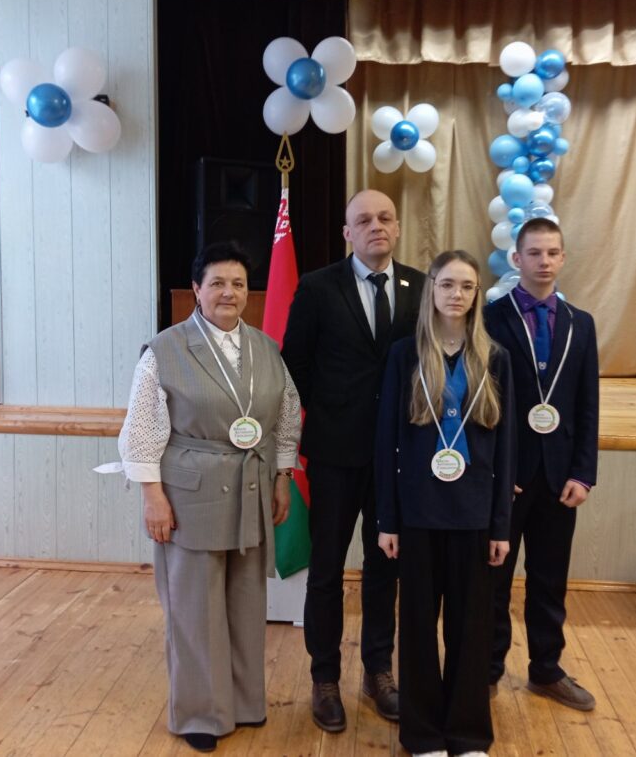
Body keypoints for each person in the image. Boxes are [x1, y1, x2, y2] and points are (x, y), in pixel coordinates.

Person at [117, 242, 301, 753]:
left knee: (246, 602)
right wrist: (152, 496)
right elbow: (142, 430)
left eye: (238, 284)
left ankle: (243, 702)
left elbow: (287, 415)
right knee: (195, 608)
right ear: (197, 289)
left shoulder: (266, 348)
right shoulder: (164, 350)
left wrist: (282, 476)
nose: (228, 293)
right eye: (217, 283)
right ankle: (201, 712)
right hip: (189, 495)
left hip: (252, 487)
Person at [282, 189, 426, 732]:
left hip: (398, 457)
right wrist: (328, 416)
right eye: (363, 220)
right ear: (347, 233)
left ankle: (378, 672)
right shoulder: (318, 287)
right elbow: (294, 367)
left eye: (385, 217)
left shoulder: (421, 287)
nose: (376, 226)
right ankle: (324, 678)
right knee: (326, 570)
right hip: (335, 455)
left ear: (398, 226)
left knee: (385, 568)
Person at [376, 250, 515, 757]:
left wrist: (501, 526)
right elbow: (386, 442)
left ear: (477, 295)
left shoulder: (494, 358)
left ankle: (468, 733)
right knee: (416, 626)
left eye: (467, 286)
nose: (457, 294)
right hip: (417, 513)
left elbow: (507, 449)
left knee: (470, 628)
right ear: (431, 289)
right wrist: (387, 519)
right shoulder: (404, 355)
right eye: (448, 284)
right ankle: (423, 734)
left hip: (474, 513)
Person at [483, 217, 599, 711]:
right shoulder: (489, 319)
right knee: (494, 580)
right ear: (516, 258)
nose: (544, 261)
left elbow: (588, 403)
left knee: (550, 578)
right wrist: (494, 472)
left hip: (559, 478)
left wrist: (583, 473)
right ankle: (487, 669)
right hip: (508, 477)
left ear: (563, 258)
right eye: (534, 253)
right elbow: (481, 404)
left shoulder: (581, 323)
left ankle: (546, 669)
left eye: (552, 253)